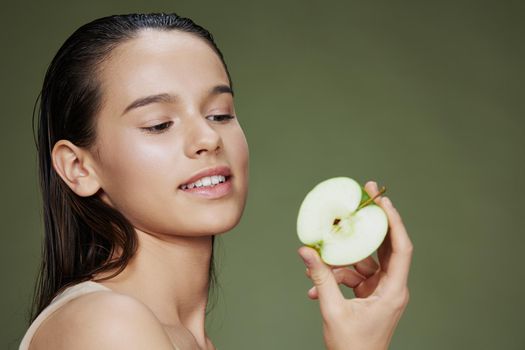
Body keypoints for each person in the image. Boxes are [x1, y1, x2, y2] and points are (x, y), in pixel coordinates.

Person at [20, 12, 413, 350]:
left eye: (220, 114)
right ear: (78, 167)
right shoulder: (106, 324)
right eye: (159, 124)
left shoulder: (184, 338)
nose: (209, 139)